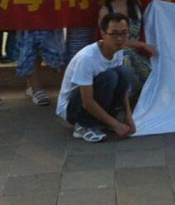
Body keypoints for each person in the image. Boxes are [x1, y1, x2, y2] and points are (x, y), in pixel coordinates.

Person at [56, 13, 136, 143]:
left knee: (124, 72)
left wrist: (128, 116)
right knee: (109, 77)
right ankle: (84, 125)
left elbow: (123, 87)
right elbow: (87, 102)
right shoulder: (87, 58)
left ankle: (105, 120)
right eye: (114, 34)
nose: (120, 39)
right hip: (72, 107)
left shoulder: (118, 50)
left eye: (124, 33)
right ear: (103, 34)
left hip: (96, 99)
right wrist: (116, 125)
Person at [97, 0, 157, 107]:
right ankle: (123, 102)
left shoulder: (136, 6)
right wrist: (142, 45)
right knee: (127, 57)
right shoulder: (106, 11)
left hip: (138, 54)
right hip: (115, 55)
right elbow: (111, 41)